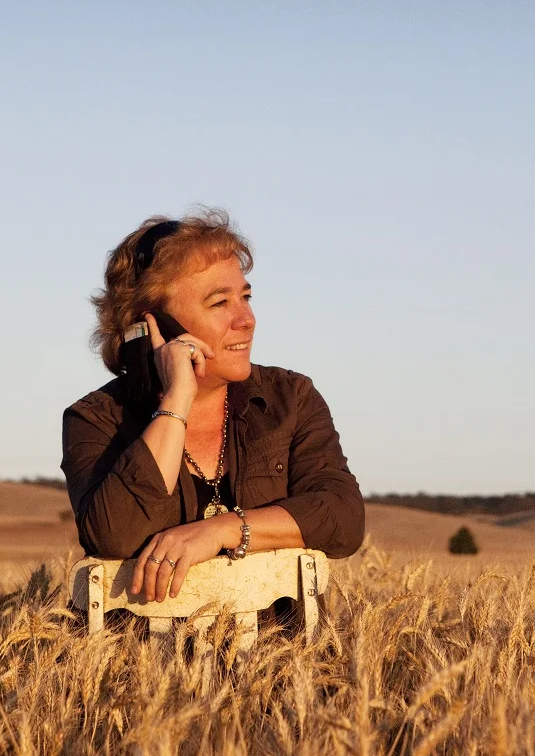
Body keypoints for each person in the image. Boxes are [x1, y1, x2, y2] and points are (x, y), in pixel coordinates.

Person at [61, 207, 365, 610]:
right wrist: (175, 402)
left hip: (282, 667)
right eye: (220, 303)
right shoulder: (96, 419)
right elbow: (115, 534)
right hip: (149, 669)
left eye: (246, 296)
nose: (248, 319)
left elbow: (342, 518)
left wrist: (223, 530)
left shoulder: (289, 399)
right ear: (150, 326)